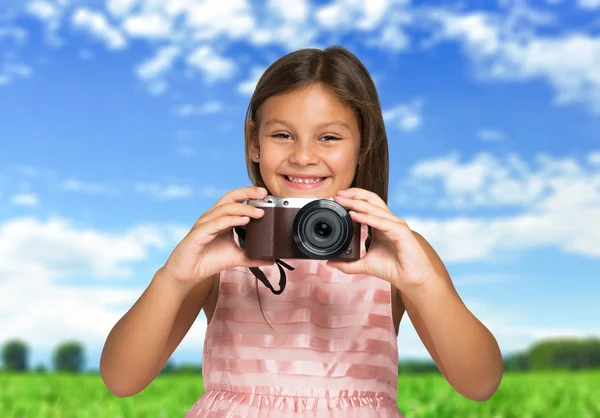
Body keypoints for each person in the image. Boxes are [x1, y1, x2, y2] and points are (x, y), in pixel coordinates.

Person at [99, 46, 504, 417]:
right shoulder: (222, 245)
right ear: (253, 142)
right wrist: (174, 278)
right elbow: (122, 380)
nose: (304, 156)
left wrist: (423, 284)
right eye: (281, 135)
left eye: (329, 137)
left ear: (362, 145)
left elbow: (480, 383)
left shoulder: (393, 249)